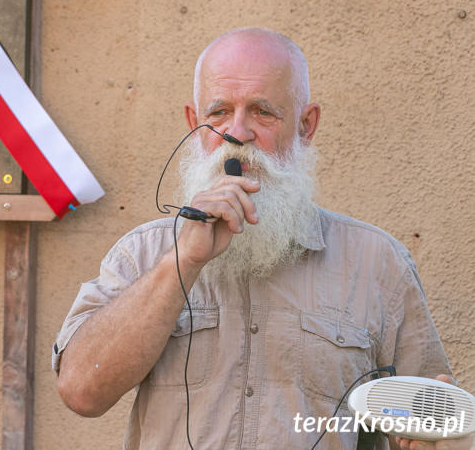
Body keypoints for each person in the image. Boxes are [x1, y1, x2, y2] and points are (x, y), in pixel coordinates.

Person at [52, 27, 469, 449]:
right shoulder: (142, 253)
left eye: (262, 112)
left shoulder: (378, 263)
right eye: (218, 113)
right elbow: (82, 392)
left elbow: (429, 417)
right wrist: (182, 261)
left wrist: (427, 431)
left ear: (306, 125)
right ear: (194, 125)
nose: (238, 133)